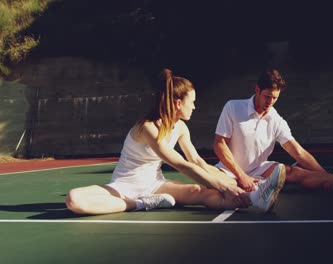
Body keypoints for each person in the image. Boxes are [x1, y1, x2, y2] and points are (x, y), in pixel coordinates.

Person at [65, 69, 285, 215]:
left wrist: (236, 182)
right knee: (74, 200)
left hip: (156, 184)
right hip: (124, 185)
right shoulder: (148, 128)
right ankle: (140, 204)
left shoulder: (180, 128)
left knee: (206, 193)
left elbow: (197, 161)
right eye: (193, 102)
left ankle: (255, 198)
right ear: (178, 103)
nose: (195, 107)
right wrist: (221, 184)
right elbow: (180, 164)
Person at [213, 68, 333, 194]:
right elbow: (219, 145)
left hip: (258, 170)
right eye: (267, 96)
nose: (270, 102)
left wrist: (327, 178)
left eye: (275, 98)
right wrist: (241, 176)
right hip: (228, 172)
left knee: (293, 172)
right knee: (224, 188)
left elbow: (298, 152)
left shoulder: (275, 119)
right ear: (257, 90)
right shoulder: (233, 107)